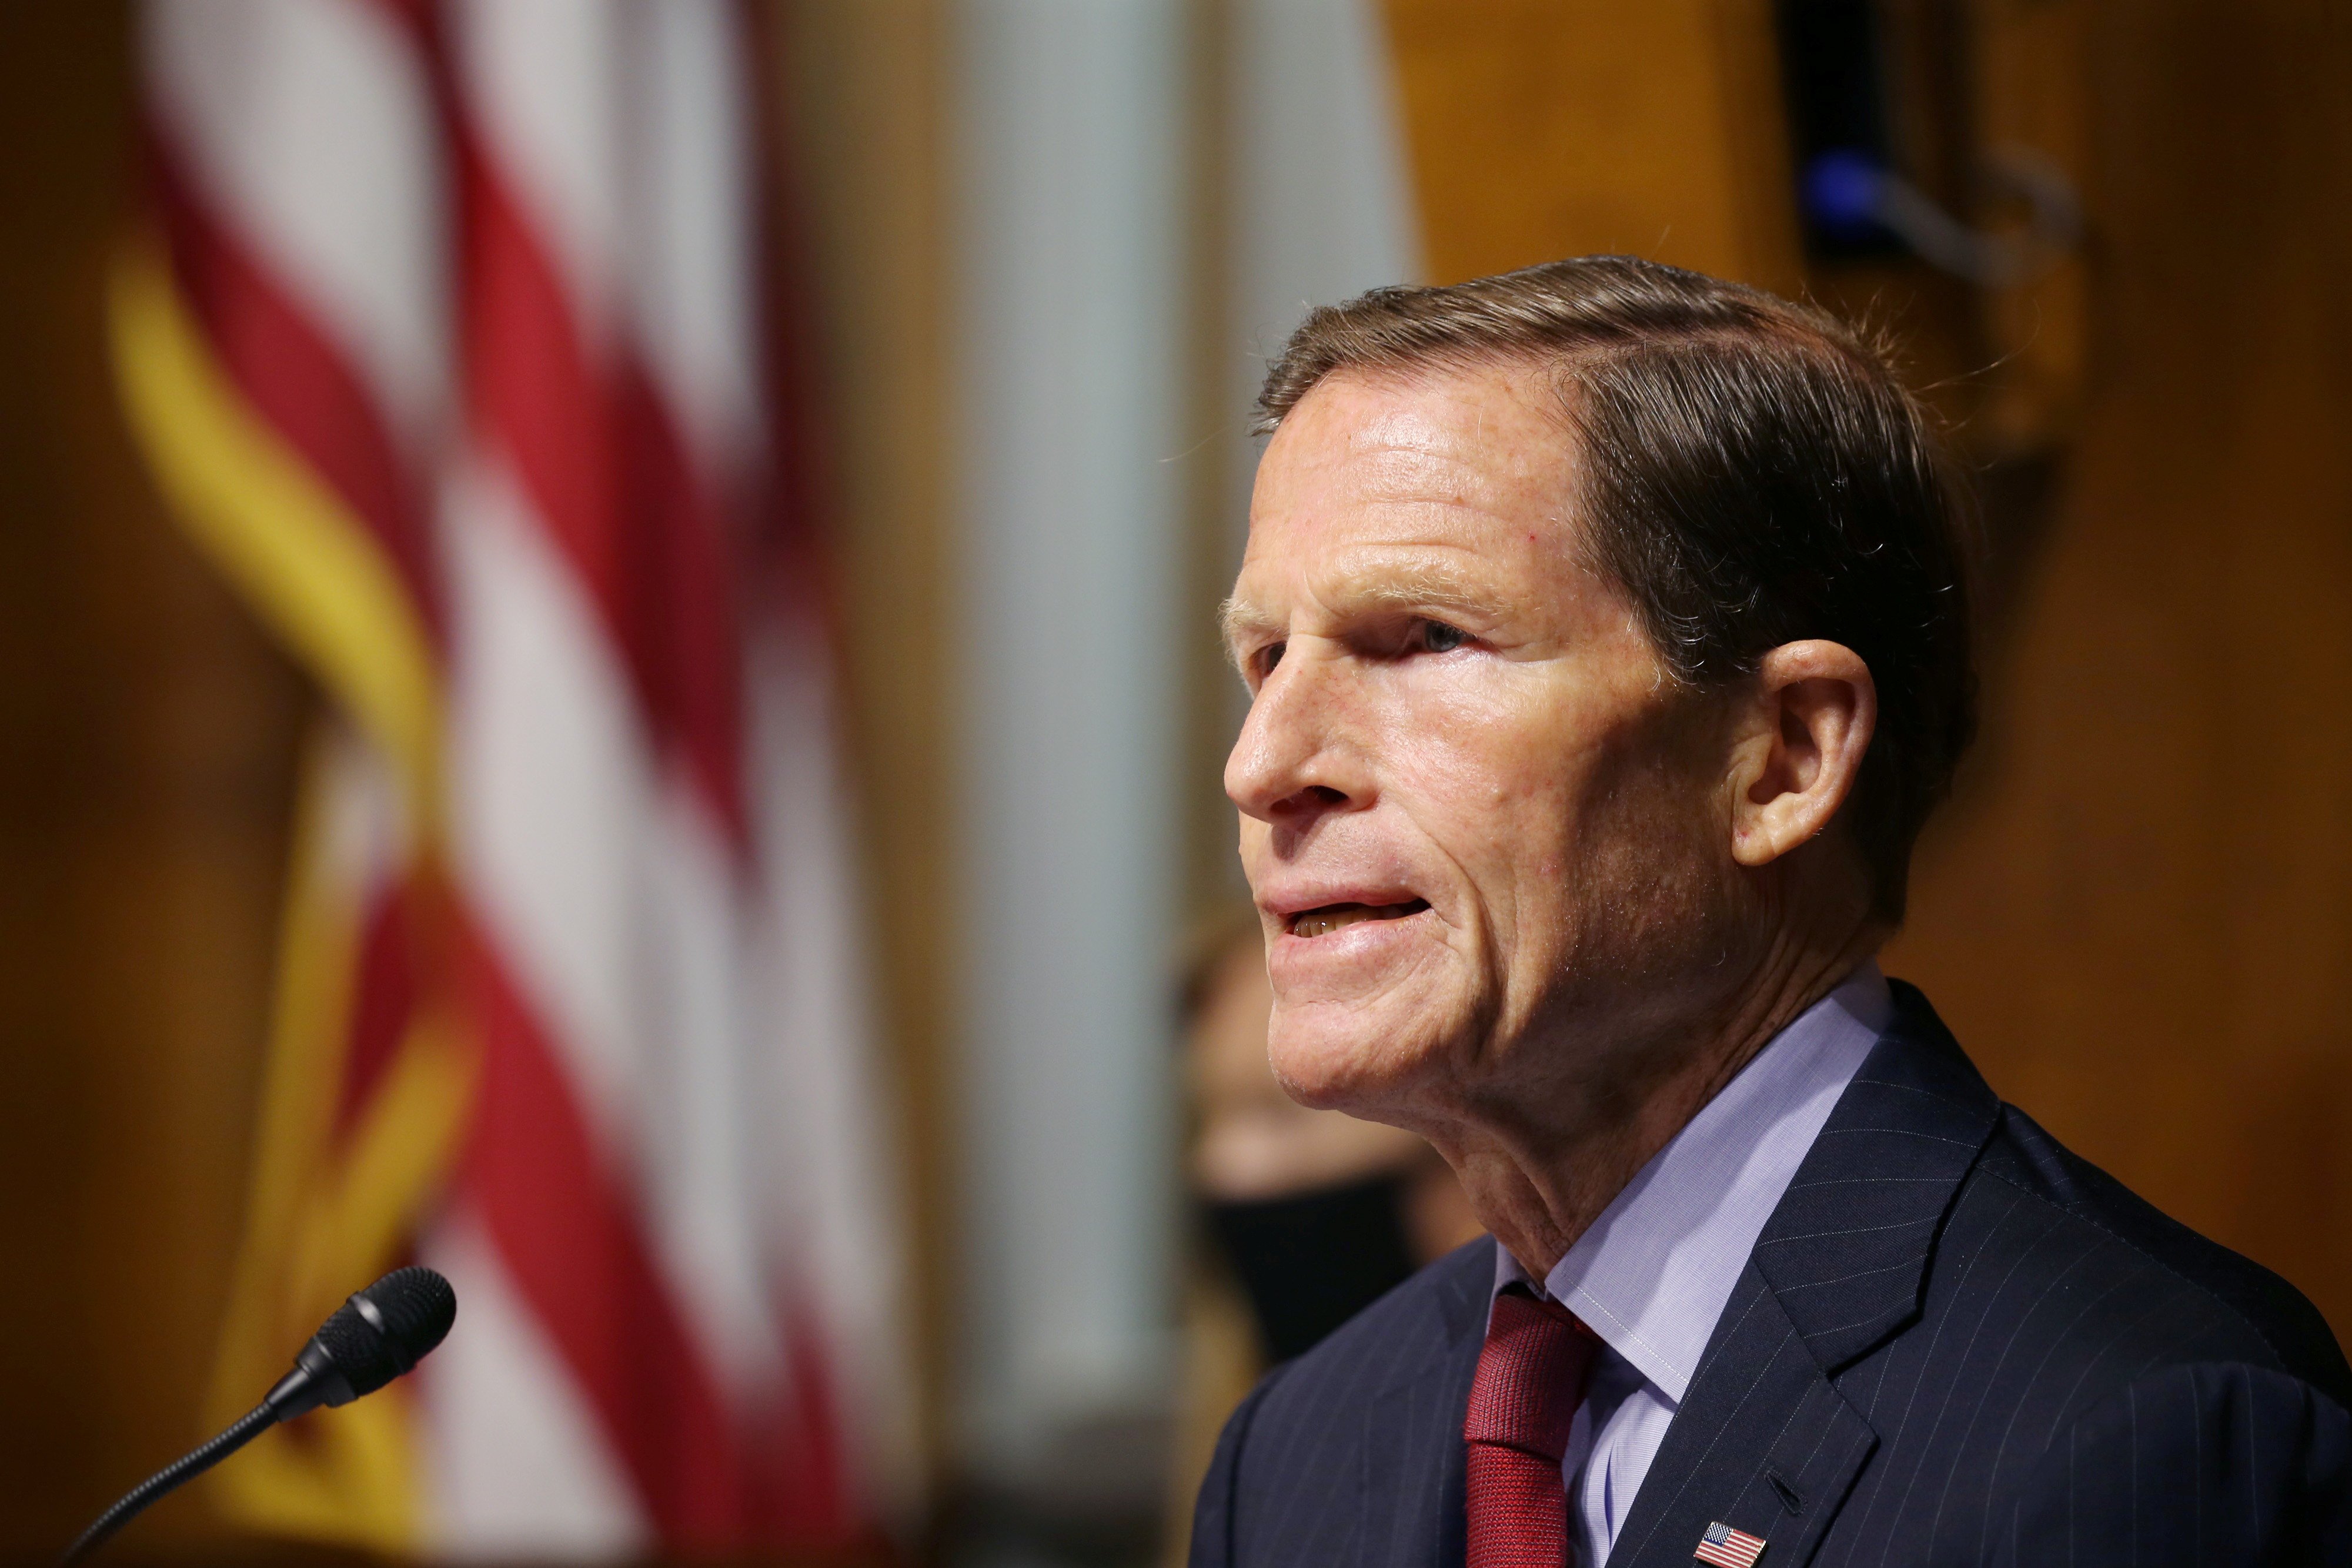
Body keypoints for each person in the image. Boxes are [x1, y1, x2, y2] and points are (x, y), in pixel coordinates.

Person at [1188, 257, 2351, 1568]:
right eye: (1265, 657)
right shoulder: (1297, 1451)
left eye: (1425, 637)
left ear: (1785, 754)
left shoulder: (2140, 1432)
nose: (1262, 764)